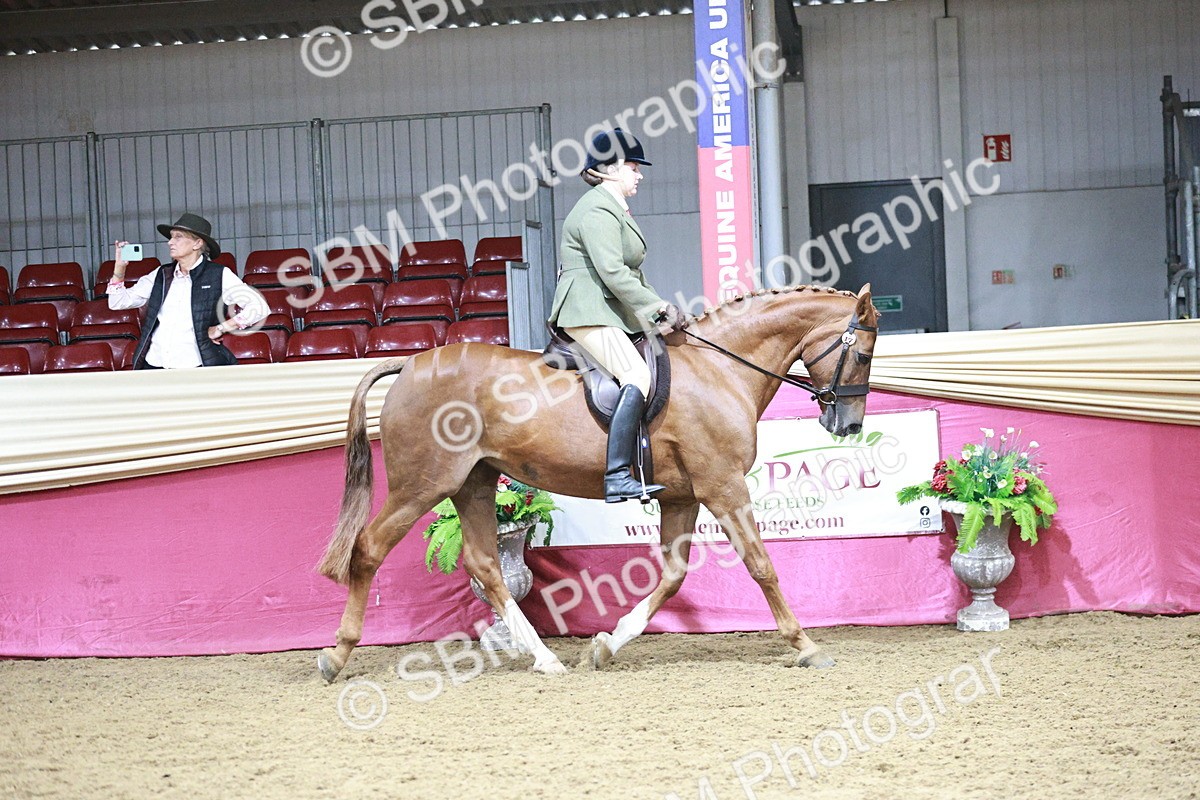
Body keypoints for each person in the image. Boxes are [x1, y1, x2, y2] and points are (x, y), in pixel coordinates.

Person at [547, 128, 688, 503]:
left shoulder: (611, 207)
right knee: (636, 375)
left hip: (610, 308)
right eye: (632, 166)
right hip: (587, 308)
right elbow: (612, 272)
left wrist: (656, 311)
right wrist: (658, 306)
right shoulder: (596, 209)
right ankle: (616, 476)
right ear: (609, 170)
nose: (639, 174)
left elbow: (630, 275)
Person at [108, 213, 268, 369]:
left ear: (197, 243)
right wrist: (119, 268)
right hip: (155, 363)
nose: (170, 242)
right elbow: (117, 302)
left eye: (178, 237)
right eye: (171, 237)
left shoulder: (219, 274)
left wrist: (220, 328)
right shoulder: (161, 274)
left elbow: (259, 307)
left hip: (195, 365)